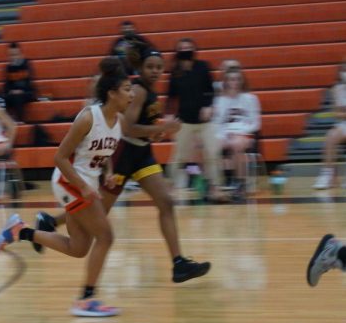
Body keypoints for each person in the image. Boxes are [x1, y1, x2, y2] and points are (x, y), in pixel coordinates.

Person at [41, 50, 211, 284]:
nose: (155, 71)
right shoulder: (137, 90)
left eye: (159, 67)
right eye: (150, 66)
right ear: (140, 69)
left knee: (166, 202)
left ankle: (178, 263)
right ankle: (51, 224)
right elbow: (128, 127)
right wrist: (161, 129)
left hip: (142, 154)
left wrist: (155, 133)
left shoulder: (147, 91)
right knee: (98, 219)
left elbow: (141, 125)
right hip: (122, 154)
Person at [0, 57, 129, 317]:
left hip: (84, 183)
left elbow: (106, 152)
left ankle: (20, 231)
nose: (131, 94)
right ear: (111, 93)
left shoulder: (118, 122)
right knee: (106, 237)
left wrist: (108, 173)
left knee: (79, 249)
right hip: (69, 181)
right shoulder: (89, 117)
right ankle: (85, 299)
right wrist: (84, 186)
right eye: (127, 89)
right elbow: (59, 157)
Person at [166, 38, 225, 201]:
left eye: (189, 47)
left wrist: (209, 106)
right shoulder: (175, 72)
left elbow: (211, 91)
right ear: (178, 52)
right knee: (179, 156)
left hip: (206, 122)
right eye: (182, 48)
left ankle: (215, 188)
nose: (186, 50)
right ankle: (172, 187)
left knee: (212, 154)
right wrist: (169, 114)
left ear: (194, 50)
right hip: (184, 120)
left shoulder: (203, 67)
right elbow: (171, 97)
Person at [213, 68, 261, 193]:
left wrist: (239, 132)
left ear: (242, 81)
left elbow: (256, 124)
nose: (234, 82)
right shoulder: (219, 100)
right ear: (226, 81)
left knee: (236, 143)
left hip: (245, 134)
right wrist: (223, 136)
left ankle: (240, 181)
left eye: (238, 79)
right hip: (224, 134)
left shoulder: (251, 99)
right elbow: (217, 124)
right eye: (231, 79)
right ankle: (216, 181)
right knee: (210, 146)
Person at [312, 60, 346, 189]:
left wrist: (343, 111)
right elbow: (337, 114)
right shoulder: (337, 89)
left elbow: (341, 112)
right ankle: (327, 175)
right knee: (331, 136)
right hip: (344, 124)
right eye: (344, 70)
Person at [3, 42, 36, 122]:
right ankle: (6, 122)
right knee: (2, 98)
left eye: (15, 55)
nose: (13, 57)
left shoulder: (27, 65)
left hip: (27, 92)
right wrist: (11, 91)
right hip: (14, 93)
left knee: (18, 97)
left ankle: (20, 120)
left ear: (20, 54)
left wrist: (21, 90)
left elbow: (29, 83)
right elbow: (6, 86)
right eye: (11, 55)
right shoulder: (8, 68)